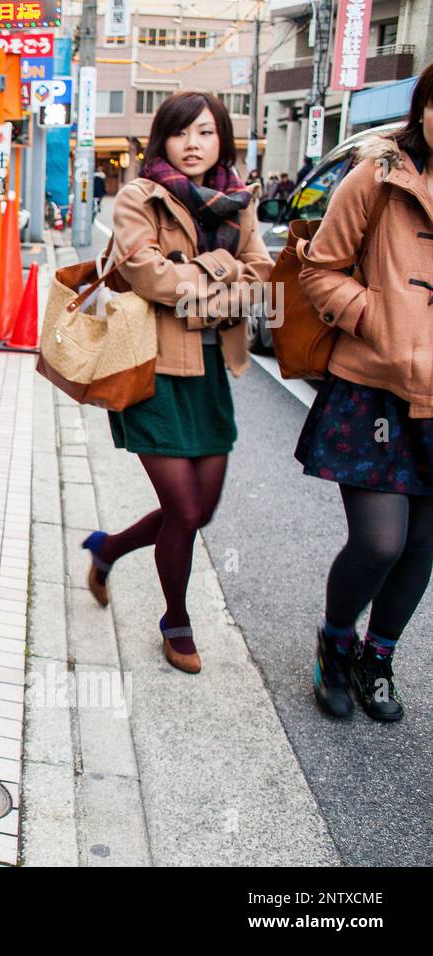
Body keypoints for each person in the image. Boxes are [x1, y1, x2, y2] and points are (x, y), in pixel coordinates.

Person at [79, 91, 273, 673]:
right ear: (162, 139)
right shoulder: (140, 196)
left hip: (211, 374)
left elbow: (263, 279)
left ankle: (108, 549)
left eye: (206, 132)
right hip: (150, 370)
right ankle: (175, 620)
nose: (193, 144)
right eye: (181, 132)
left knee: (200, 509)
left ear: (223, 140)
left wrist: (203, 282)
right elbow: (148, 275)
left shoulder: (239, 202)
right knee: (183, 510)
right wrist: (222, 272)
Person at [295, 61, 433, 722]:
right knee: (381, 541)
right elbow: (318, 269)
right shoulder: (377, 178)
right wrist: (376, 319)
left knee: (422, 545)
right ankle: (335, 641)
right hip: (373, 390)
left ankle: (379, 659)